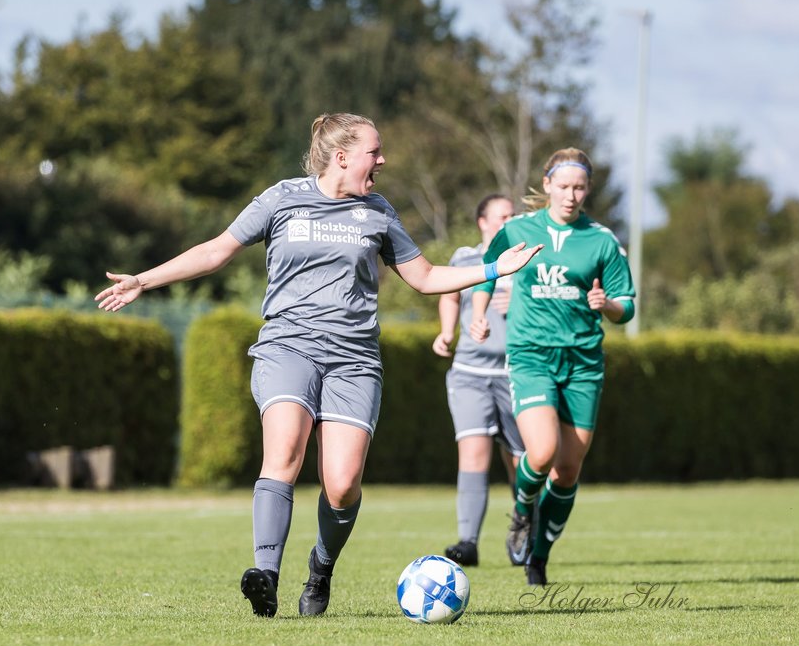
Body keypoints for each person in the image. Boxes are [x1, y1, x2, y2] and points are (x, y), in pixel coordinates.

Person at [97, 112, 542, 617]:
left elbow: (423, 277)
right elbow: (217, 250)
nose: (382, 160)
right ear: (343, 156)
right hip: (287, 346)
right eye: (375, 151)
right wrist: (144, 280)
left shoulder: (379, 210)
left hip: (354, 360)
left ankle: (321, 567)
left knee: (342, 483)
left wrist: (491, 269)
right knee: (283, 452)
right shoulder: (280, 199)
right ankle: (265, 575)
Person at [470, 148, 635, 586]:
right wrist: (479, 311)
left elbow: (628, 305)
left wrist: (609, 306)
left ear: (588, 189)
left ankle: (538, 557)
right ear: (546, 185)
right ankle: (522, 509)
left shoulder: (601, 240)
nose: (571, 195)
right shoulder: (518, 229)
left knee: (567, 471)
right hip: (531, 356)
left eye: (579, 187)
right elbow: (489, 271)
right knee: (540, 452)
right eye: (563, 186)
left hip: (583, 363)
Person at [431, 193, 529, 569]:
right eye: (501, 215)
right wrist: (446, 331)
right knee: (472, 453)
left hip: (517, 372)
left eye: (512, 215)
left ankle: (523, 526)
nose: (509, 220)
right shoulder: (465, 258)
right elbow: (450, 295)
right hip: (470, 371)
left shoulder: (525, 259)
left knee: (521, 462)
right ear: (482, 222)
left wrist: (519, 302)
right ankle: (468, 542)